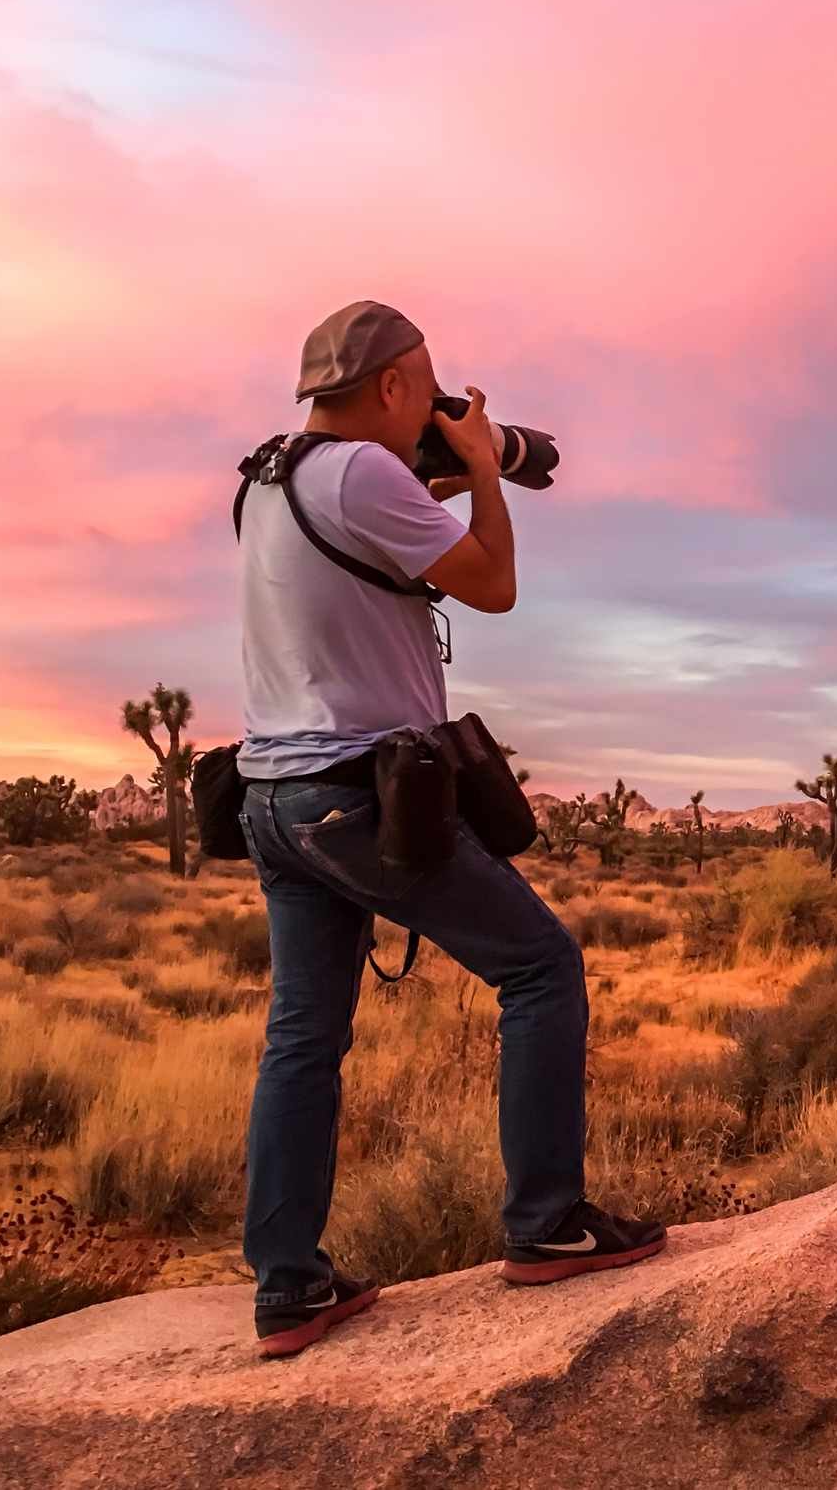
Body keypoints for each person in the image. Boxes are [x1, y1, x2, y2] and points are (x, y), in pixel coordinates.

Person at [236, 301, 665, 1359]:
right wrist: (483, 470)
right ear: (391, 387)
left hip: (272, 801)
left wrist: (442, 480)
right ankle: (547, 1224)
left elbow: (360, 560)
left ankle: (289, 1286)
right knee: (540, 969)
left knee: (304, 1038)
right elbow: (493, 588)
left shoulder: (268, 477)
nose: (433, 406)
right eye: (425, 389)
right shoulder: (364, 474)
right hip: (356, 794)